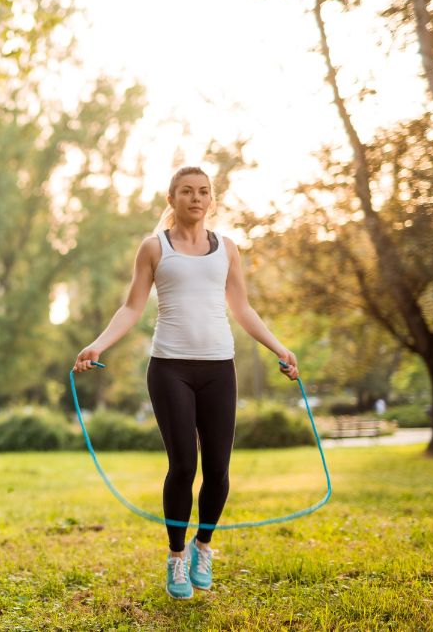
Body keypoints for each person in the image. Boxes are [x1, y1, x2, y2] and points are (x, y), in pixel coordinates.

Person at [73, 166, 299, 600]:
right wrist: (97, 345)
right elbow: (131, 308)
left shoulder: (228, 249)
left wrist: (280, 348)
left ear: (211, 199)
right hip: (170, 368)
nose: (196, 198)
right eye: (187, 192)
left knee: (218, 470)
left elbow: (243, 308)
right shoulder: (154, 248)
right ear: (171, 197)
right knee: (184, 466)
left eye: (203, 192)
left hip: (219, 369)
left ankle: (203, 546)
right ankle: (176, 558)